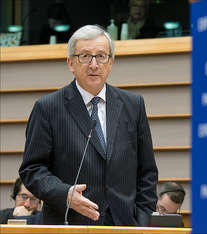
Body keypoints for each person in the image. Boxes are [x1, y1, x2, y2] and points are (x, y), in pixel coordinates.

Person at [19, 25, 158, 226]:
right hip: (71, 224)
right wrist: (64, 194)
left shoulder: (133, 105)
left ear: (111, 62)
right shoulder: (47, 108)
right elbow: (32, 169)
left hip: (125, 225)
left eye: (101, 56)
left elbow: (147, 171)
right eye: (85, 56)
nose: (94, 64)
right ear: (70, 63)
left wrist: (143, 220)